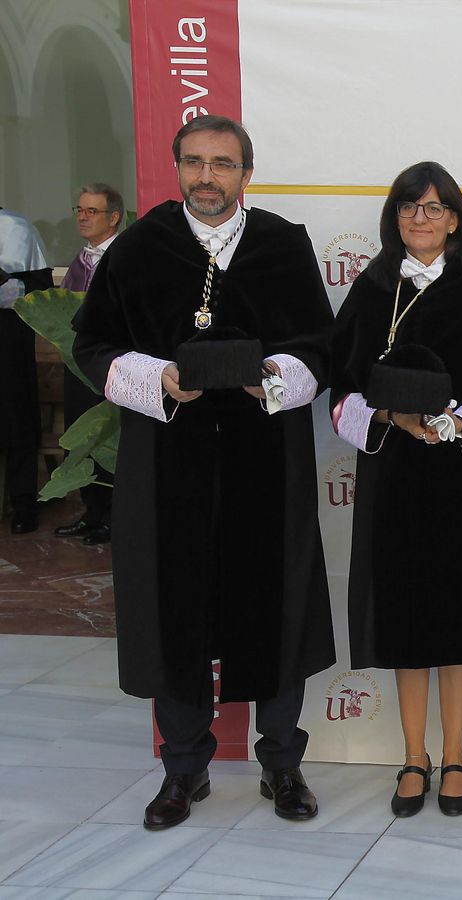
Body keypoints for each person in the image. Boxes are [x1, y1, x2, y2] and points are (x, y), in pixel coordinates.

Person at [71, 115, 336, 829]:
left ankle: (281, 762)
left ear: (246, 173)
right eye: (194, 162)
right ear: (177, 167)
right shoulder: (139, 248)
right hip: (168, 463)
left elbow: (321, 344)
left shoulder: (282, 244)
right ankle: (183, 769)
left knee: (274, 603)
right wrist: (157, 379)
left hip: (265, 459)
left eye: (222, 163)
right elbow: (92, 345)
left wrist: (271, 377)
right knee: (174, 607)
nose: (207, 177)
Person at [329, 161, 462, 817]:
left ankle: (456, 755)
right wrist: (388, 416)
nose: (421, 218)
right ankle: (414, 756)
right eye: (409, 207)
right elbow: (341, 385)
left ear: (455, 219)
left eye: (434, 207)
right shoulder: (372, 288)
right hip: (395, 475)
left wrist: (458, 424)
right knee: (405, 617)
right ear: (395, 217)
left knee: (456, 615)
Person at [56, 182, 125, 544]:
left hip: (111, 363)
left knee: (108, 436)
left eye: (92, 211)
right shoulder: (81, 259)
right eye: (79, 210)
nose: (82, 217)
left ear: (113, 218)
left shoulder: (125, 256)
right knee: (82, 435)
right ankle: (92, 511)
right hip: (78, 363)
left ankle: (113, 516)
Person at [0, 204, 49, 534]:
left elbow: (40, 284)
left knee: (16, 419)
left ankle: (24, 505)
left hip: (7, 343)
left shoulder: (15, 226)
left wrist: (10, 287)